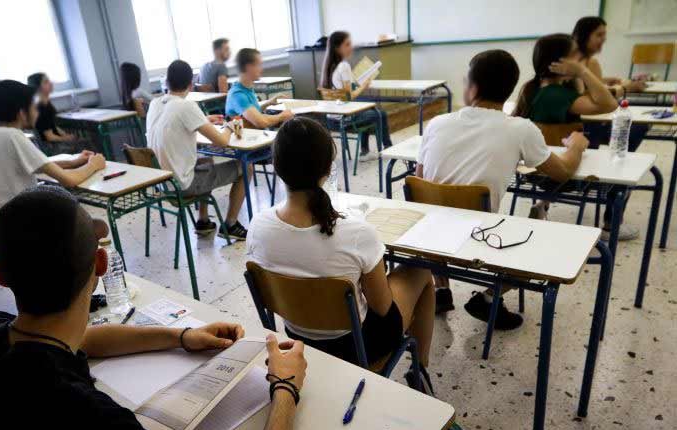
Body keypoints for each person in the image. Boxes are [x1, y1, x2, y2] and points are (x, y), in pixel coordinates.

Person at [0, 185, 307, 430]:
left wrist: (180, 336)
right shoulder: (87, 419)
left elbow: (86, 339)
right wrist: (285, 388)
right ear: (100, 264)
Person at [248, 116, 435, 382]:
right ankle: (421, 368)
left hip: (297, 339)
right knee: (420, 270)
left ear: (277, 167)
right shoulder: (357, 233)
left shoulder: (257, 227)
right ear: (327, 168)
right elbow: (382, 308)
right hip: (357, 348)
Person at [416, 49, 589, 328]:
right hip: (480, 238)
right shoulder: (520, 129)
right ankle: (488, 298)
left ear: (473, 88)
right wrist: (577, 146)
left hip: (429, 236)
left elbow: (420, 181)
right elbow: (563, 172)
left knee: (439, 206)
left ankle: (441, 289)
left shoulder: (436, 123)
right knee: (546, 242)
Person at [513, 34, 630, 241]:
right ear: (560, 61)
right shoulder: (557, 96)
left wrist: (576, 77)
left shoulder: (532, 89)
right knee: (623, 178)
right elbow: (610, 104)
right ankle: (611, 228)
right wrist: (582, 71)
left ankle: (543, 203)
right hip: (564, 177)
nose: (580, 59)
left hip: (532, 173)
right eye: (575, 55)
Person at [0, 79, 105, 226]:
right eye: (34, 107)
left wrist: (73, 162)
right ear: (22, 113)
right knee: (93, 224)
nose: (37, 112)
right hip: (9, 224)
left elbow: (37, 165)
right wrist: (94, 165)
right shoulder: (12, 136)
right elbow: (69, 180)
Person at [147, 60, 250, 240]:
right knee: (246, 168)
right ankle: (231, 224)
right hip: (182, 185)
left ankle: (203, 221)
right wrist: (230, 125)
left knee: (205, 162)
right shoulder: (186, 106)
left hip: (161, 183)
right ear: (191, 84)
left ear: (167, 82)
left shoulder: (155, 104)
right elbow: (222, 142)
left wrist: (204, 120)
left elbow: (176, 123)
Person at [572, 16, 650, 241]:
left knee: (620, 137)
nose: (603, 41)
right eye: (599, 35)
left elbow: (586, 87)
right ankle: (610, 223)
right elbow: (602, 100)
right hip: (587, 131)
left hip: (570, 132)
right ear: (585, 35)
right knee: (630, 142)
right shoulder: (589, 62)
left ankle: (544, 203)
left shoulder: (566, 58)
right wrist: (625, 87)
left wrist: (607, 81)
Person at [320, 31, 392, 158]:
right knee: (380, 114)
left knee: (366, 110)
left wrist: (357, 84)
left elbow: (342, 94)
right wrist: (364, 85)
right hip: (345, 119)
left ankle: (365, 151)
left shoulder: (329, 66)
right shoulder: (344, 66)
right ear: (337, 48)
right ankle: (388, 148)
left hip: (331, 119)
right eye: (347, 44)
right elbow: (349, 96)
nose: (351, 47)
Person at [225, 48, 293, 129]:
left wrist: (268, 103)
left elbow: (252, 112)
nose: (261, 69)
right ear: (249, 67)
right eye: (259, 65)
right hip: (250, 136)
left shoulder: (246, 88)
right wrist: (282, 116)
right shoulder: (238, 95)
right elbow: (261, 122)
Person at [27, 72, 93, 154]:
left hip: (55, 141)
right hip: (51, 146)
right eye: (46, 82)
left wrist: (65, 135)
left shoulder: (45, 103)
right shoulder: (40, 107)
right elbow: (49, 136)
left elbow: (52, 125)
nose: (50, 83)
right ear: (38, 87)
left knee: (84, 141)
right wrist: (66, 138)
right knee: (86, 144)